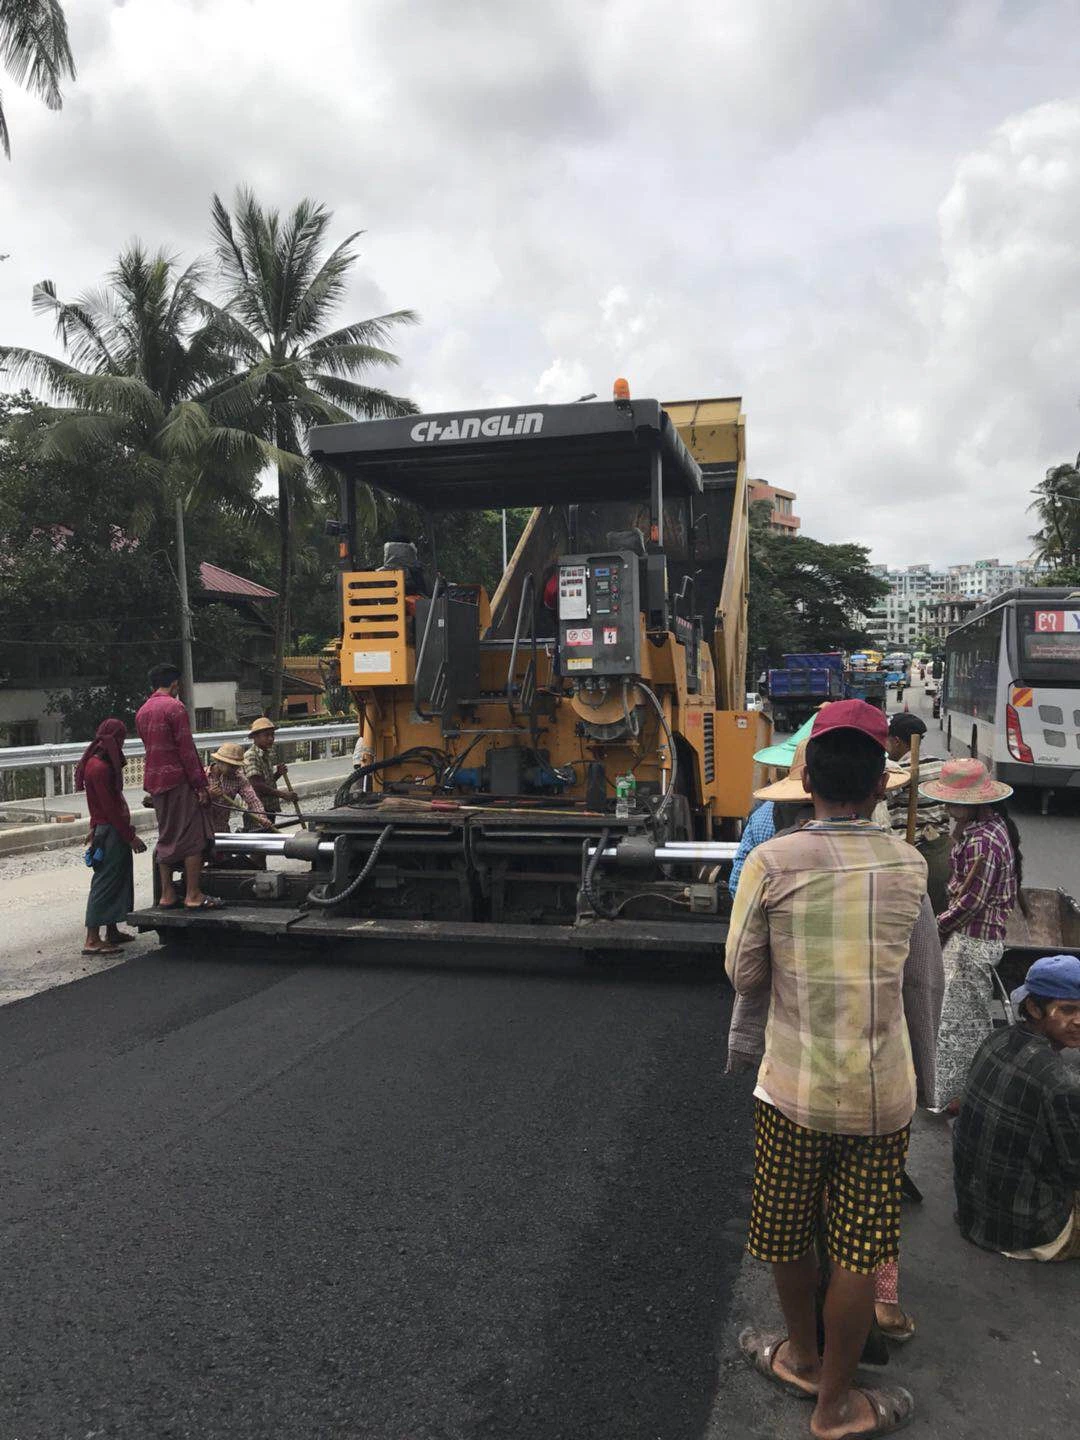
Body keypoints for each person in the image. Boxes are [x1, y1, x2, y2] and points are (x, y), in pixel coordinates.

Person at [727, 700, 943, 1440]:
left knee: (787, 1233)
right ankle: (836, 1407)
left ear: (808, 779)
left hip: (791, 1088)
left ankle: (805, 1356)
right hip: (883, 1097)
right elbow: (923, 983)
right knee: (857, 1247)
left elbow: (743, 971)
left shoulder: (770, 861)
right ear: (881, 785)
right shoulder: (909, 865)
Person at [954, 954, 1080, 1261]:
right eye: (1068, 1010)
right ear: (1034, 1008)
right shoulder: (1059, 1082)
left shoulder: (995, 1040)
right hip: (1030, 1231)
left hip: (975, 1215)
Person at [918, 757, 1021, 1113]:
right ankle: (960, 1094)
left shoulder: (984, 840)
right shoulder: (981, 831)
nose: (946, 806)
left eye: (951, 801)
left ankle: (954, 1097)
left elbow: (970, 903)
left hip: (974, 941)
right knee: (961, 1019)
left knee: (958, 1025)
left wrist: (933, 927)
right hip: (972, 939)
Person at [135, 664, 219, 910]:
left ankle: (167, 894)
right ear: (174, 684)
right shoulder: (175, 707)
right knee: (193, 837)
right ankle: (193, 894)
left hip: (156, 782)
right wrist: (200, 785)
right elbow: (186, 750)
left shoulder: (142, 711)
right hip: (178, 780)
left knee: (167, 834)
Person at [76, 718, 147, 955]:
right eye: (121, 739)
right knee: (105, 882)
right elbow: (110, 809)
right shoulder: (100, 768)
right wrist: (130, 837)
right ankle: (92, 938)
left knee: (118, 879)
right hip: (112, 831)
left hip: (106, 829)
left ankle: (112, 930)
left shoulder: (96, 763)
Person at [884, 713, 950, 913]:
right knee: (939, 913)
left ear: (896, 741)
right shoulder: (941, 765)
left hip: (913, 853)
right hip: (943, 851)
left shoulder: (898, 772)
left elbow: (878, 797)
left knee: (913, 916)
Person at [206, 743, 272, 835]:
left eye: (237, 766)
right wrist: (208, 795)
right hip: (201, 829)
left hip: (222, 829)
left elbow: (253, 800)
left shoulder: (239, 778)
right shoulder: (201, 776)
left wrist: (261, 818)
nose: (235, 769)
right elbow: (187, 802)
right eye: (232, 766)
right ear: (219, 761)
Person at [244, 717, 288, 826]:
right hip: (257, 811)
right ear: (255, 737)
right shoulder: (251, 756)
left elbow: (266, 781)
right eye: (267, 735)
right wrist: (283, 795)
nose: (271, 739)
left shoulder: (266, 754)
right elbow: (256, 785)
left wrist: (278, 773)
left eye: (272, 735)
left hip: (268, 807)